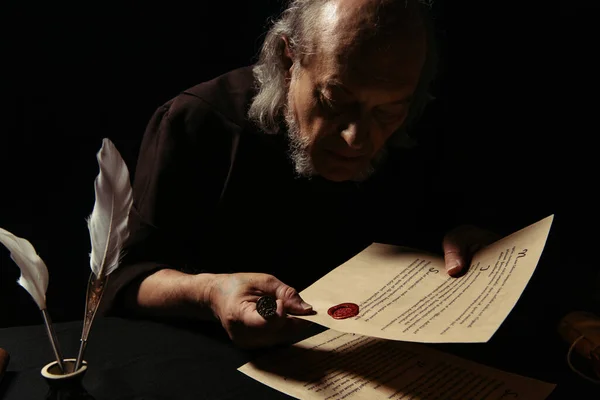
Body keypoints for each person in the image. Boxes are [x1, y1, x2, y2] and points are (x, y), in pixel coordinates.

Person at [99, 0, 498, 348]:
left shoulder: (421, 118)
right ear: (289, 59)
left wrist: (471, 242)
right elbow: (119, 282)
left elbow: (454, 220)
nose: (357, 138)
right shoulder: (200, 122)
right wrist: (208, 292)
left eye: (387, 112)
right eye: (335, 100)